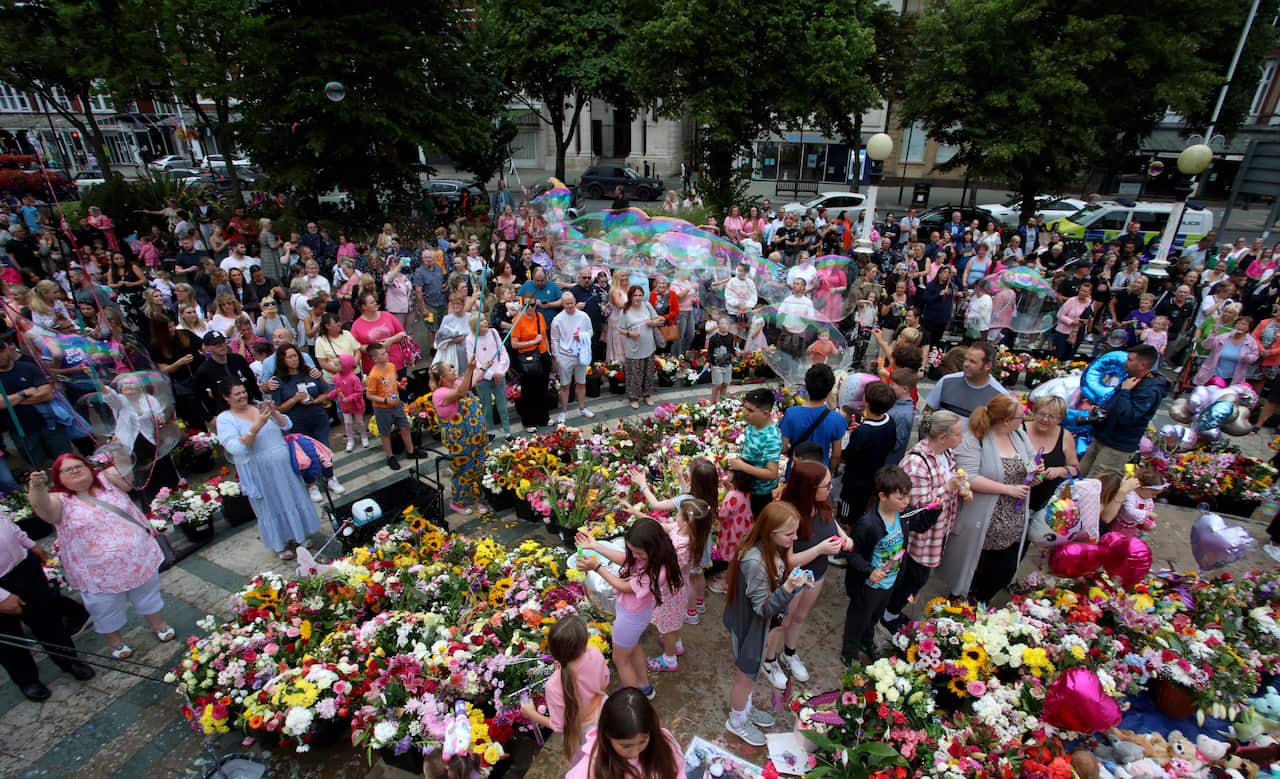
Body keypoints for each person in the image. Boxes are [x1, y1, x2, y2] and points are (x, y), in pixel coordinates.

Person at [28, 455, 174, 660]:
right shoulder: (58, 499)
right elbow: (43, 509)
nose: (75, 471)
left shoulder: (107, 480)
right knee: (104, 607)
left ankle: (159, 624)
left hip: (138, 560)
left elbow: (127, 473)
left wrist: (119, 447)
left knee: (148, 594)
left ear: (89, 468)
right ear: (58, 477)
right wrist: (36, 487)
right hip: (97, 573)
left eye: (79, 466)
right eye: (67, 470)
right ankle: (115, 642)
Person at [721, 502, 815, 746]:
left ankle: (745, 709)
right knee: (746, 677)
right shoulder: (755, 562)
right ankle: (736, 721)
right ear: (770, 531)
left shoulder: (769, 548)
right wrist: (789, 588)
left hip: (757, 628)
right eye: (789, 534)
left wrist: (795, 583)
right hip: (750, 628)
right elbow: (764, 608)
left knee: (752, 674)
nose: (795, 538)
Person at [939, 394, 1036, 602]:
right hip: (982, 521)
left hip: (1013, 521)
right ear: (1006, 421)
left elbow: (1030, 465)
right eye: (1021, 417)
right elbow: (969, 477)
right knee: (973, 568)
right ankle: (959, 606)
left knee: (1002, 570)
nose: (1025, 421)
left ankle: (981, 602)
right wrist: (1007, 489)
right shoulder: (975, 440)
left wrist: (1035, 473)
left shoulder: (1019, 437)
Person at [575, 519, 683, 702]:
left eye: (638, 553)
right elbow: (625, 558)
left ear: (653, 548)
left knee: (621, 660)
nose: (634, 555)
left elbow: (623, 586)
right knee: (633, 648)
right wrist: (595, 546)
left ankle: (633, 699)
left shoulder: (657, 572)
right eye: (632, 550)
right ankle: (644, 687)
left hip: (630, 619)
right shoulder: (652, 558)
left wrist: (597, 567)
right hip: (636, 616)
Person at [842, 466, 942, 663]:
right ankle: (849, 652)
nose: (906, 502)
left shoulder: (902, 515)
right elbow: (852, 555)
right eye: (900, 498)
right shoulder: (868, 524)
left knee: (874, 617)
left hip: (890, 581)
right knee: (858, 619)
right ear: (882, 496)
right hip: (868, 586)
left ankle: (867, 641)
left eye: (907, 497)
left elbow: (921, 524)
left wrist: (934, 512)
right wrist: (869, 571)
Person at [880, 411, 969, 629]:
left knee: (917, 578)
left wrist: (961, 486)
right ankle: (889, 614)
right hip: (920, 535)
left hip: (937, 531)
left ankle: (892, 611)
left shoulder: (945, 454)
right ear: (942, 437)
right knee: (912, 577)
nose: (961, 439)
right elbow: (916, 504)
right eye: (957, 435)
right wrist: (947, 488)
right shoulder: (916, 462)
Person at [216, 381, 320, 559]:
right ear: (226, 397)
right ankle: (280, 544)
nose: (242, 396)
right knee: (271, 505)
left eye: (243, 392)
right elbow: (236, 448)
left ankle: (300, 536)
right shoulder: (225, 419)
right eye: (237, 394)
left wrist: (272, 412)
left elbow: (286, 424)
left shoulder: (258, 405)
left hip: (283, 466)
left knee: (291, 497)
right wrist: (256, 425)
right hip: (259, 471)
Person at [766, 461, 848, 687]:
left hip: (817, 573)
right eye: (826, 485)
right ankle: (769, 659)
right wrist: (821, 549)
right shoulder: (789, 514)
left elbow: (831, 519)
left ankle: (789, 653)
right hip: (793, 579)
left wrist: (843, 536)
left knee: (800, 617)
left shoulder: (822, 503)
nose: (831, 489)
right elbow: (788, 560)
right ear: (809, 488)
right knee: (782, 620)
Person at [0, 510, 95, 701]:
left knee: (47, 620)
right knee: (9, 640)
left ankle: (69, 660)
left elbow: (7, 524)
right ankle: (27, 680)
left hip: (24, 567)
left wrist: (30, 545)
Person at [518, 615, 609, 765]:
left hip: (583, 735)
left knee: (589, 767)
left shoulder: (554, 685)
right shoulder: (595, 654)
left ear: (553, 653)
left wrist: (531, 713)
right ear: (585, 641)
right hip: (606, 714)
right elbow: (605, 682)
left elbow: (559, 726)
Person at [1081, 345, 1168, 477]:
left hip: (1116, 447)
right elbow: (1114, 403)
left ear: (1143, 365)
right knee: (1081, 475)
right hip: (1102, 437)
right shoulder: (1130, 377)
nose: (1125, 362)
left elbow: (1128, 418)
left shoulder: (1151, 391)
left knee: (1095, 485)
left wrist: (1125, 391)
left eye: (1130, 359)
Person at [565, 688, 684, 779]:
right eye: (626, 746)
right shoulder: (589, 768)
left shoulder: (664, 741)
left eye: (643, 741)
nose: (635, 752)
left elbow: (678, 771)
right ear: (607, 735)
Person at [428, 357, 487, 515]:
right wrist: (469, 369)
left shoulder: (455, 383)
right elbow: (462, 392)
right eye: (450, 369)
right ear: (442, 378)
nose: (454, 370)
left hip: (477, 439)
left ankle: (477, 499)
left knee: (479, 469)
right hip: (461, 442)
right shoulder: (439, 394)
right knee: (464, 472)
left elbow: (470, 383)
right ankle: (457, 502)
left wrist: (483, 368)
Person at [0, 333, 69, 466]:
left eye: (1, 351)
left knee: (64, 459)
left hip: (48, 423)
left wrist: (12, 401)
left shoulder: (27, 367)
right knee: (38, 465)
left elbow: (48, 393)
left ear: (8, 348)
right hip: (20, 430)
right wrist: (23, 393)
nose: (0, 356)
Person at [838, 381, 899, 524]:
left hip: (855, 483)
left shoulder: (863, 432)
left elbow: (847, 456)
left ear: (866, 401)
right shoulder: (889, 421)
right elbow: (890, 444)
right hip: (875, 477)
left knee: (848, 516)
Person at [779, 364, 848, 472]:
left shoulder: (791, 414)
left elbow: (784, 447)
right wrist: (830, 472)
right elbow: (836, 455)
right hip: (821, 473)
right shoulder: (837, 419)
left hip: (795, 471)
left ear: (806, 386)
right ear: (830, 389)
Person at [726, 387, 782, 518]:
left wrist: (741, 466)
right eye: (745, 407)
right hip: (747, 485)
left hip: (760, 494)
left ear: (766, 413)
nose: (745, 412)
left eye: (750, 410)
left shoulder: (771, 438)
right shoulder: (753, 425)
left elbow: (772, 473)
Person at [269, 343, 333, 456]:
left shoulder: (310, 372)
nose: (294, 359)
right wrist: (295, 399)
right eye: (290, 357)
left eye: (295, 355)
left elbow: (326, 392)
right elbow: (278, 408)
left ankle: (328, 473)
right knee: (309, 455)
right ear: (282, 360)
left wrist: (315, 401)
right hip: (297, 424)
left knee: (325, 452)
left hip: (318, 419)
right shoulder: (277, 381)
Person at [1023, 396, 1080, 518]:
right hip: (1016, 495)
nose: (1045, 419)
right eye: (1041, 414)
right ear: (1034, 412)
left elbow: (1076, 469)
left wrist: (1060, 470)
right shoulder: (1020, 429)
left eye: (1052, 417)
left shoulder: (1065, 436)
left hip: (1045, 504)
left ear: (1060, 419)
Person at [923, 341, 1008, 420]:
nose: (966, 364)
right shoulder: (946, 381)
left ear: (987, 366)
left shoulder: (999, 395)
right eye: (966, 359)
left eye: (972, 361)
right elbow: (928, 412)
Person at [366, 342, 416, 471]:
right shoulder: (374, 375)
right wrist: (385, 400)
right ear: (375, 359)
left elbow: (393, 380)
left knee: (405, 427)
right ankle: (390, 456)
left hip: (396, 403)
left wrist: (399, 385)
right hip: (382, 408)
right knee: (385, 433)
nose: (387, 354)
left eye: (385, 352)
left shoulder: (391, 366)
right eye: (383, 354)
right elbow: (369, 395)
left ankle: (411, 451)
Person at [466, 310, 512, 441]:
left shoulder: (493, 332)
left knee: (502, 405)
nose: (485, 322)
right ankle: (490, 432)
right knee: (486, 406)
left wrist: (500, 372)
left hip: (499, 375)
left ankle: (508, 432)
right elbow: (474, 362)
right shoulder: (470, 339)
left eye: (485, 319)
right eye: (481, 320)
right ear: (474, 324)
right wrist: (491, 374)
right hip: (482, 378)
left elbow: (503, 352)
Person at [550, 291, 595, 424]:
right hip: (565, 355)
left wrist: (581, 336)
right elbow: (554, 339)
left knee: (581, 382)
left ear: (575, 301)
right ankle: (563, 411)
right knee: (565, 385)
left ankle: (582, 407)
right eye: (567, 303)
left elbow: (591, 331)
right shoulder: (557, 319)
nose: (570, 305)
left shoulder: (583, 316)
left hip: (580, 353)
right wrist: (557, 357)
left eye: (571, 302)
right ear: (562, 304)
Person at [193, 331, 260, 420]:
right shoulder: (204, 371)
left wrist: (260, 400)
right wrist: (210, 418)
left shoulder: (238, 359)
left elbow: (252, 382)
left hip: (249, 406)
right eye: (216, 344)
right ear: (207, 348)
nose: (221, 346)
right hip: (224, 413)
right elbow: (198, 398)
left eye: (222, 342)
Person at [617, 285, 663, 410]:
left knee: (648, 372)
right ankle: (633, 397)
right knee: (634, 374)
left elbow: (656, 319)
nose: (637, 298)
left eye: (640, 295)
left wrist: (653, 322)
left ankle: (647, 394)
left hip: (649, 346)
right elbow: (620, 329)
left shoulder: (647, 305)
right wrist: (629, 333)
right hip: (633, 347)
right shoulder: (625, 311)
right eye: (635, 295)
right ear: (630, 296)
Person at [351, 293, 411, 376]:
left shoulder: (387, 315)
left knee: (401, 387)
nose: (375, 303)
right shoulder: (356, 325)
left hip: (396, 363)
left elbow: (402, 333)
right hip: (374, 368)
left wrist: (390, 340)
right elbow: (356, 347)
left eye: (375, 301)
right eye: (372, 302)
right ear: (364, 307)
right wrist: (375, 347)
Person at [1195, 315, 1260, 387]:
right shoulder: (1223, 337)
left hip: (1233, 379)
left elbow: (1255, 354)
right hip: (1213, 374)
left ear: (1248, 328)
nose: (1240, 326)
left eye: (1244, 324)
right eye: (1238, 323)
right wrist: (1213, 334)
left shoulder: (1251, 342)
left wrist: (1249, 358)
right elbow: (1206, 346)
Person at [331, 354, 369, 453]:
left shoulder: (354, 378)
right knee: (347, 423)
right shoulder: (336, 378)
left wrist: (349, 398)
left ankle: (364, 436)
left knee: (359, 421)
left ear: (345, 365)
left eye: (336, 365)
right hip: (345, 405)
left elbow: (359, 392)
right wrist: (332, 394)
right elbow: (338, 389)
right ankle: (350, 439)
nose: (334, 367)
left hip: (356, 404)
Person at [886, 368, 918, 466]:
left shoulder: (903, 415)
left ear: (905, 389)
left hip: (887, 462)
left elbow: (896, 444)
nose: (889, 386)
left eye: (892, 384)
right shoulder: (895, 403)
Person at [1053, 281, 1093, 359]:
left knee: (1071, 354)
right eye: (1081, 290)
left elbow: (1091, 316)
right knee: (1059, 352)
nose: (1082, 293)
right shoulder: (1071, 300)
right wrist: (1071, 322)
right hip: (1063, 331)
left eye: (1085, 291)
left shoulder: (1090, 303)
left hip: (1078, 332)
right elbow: (1060, 315)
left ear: (1089, 293)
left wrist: (1086, 323)